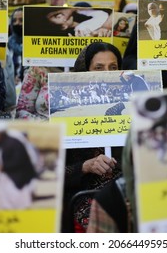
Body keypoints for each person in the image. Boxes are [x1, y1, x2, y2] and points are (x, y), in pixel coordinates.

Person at [62, 42, 123, 233]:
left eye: (113, 67)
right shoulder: (64, 112)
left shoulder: (135, 106)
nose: (107, 73)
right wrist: (85, 166)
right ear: (84, 71)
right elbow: (52, 174)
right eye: (99, 67)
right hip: (81, 197)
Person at [0, 121, 38, 209]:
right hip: (5, 179)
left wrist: (4, 167)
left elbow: (20, 161)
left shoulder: (13, 143)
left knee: (20, 207)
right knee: (6, 206)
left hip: (17, 180)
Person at [46, 8, 112, 37]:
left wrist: (71, 9)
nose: (61, 14)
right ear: (64, 27)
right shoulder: (81, 30)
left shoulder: (80, 12)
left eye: (58, 13)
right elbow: (107, 26)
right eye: (58, 17)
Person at [8, 8, 24, 83]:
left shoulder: (34, 43)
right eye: (14, 21)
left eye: (21, 20)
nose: (17, 23)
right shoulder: (7, 43)